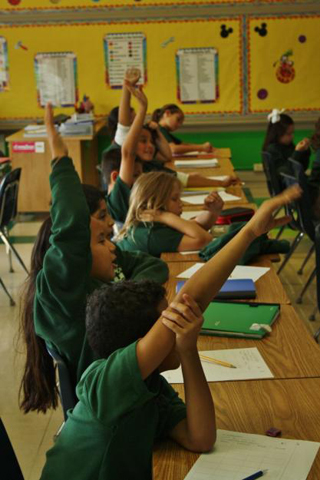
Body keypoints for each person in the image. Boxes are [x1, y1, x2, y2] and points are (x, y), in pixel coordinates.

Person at [39, 183, 301, 480]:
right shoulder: (104, 382)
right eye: (167, 322)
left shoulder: (152, 389)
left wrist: (188, 351)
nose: (178, 323)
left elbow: (200, 437)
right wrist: (249, 233)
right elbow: (191, 299)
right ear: (146, 343)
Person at [116, 171, 226, 257]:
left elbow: (196, 226)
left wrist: (212, 212)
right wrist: (165, 216)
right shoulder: (152, 234)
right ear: (155, 203)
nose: (180, 203)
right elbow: (204, 239)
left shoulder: (152, 223)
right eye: (174, 199)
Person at [103, 80, 148, 223]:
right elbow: (128, 153)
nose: (140, 179)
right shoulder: (117, 198)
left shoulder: (124, 195)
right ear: (116, 177)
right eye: (135, 175)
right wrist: (142, 109)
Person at [263, 109, 320, 207]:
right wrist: (297, 152)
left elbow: (302, 167)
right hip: (286, 188)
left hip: (294, 183)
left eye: (292, 133)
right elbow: (285, 171)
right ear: (277, 134)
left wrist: (304, 151)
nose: (292, 137)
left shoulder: (287, 146)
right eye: (288, 134)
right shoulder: (272, 149)